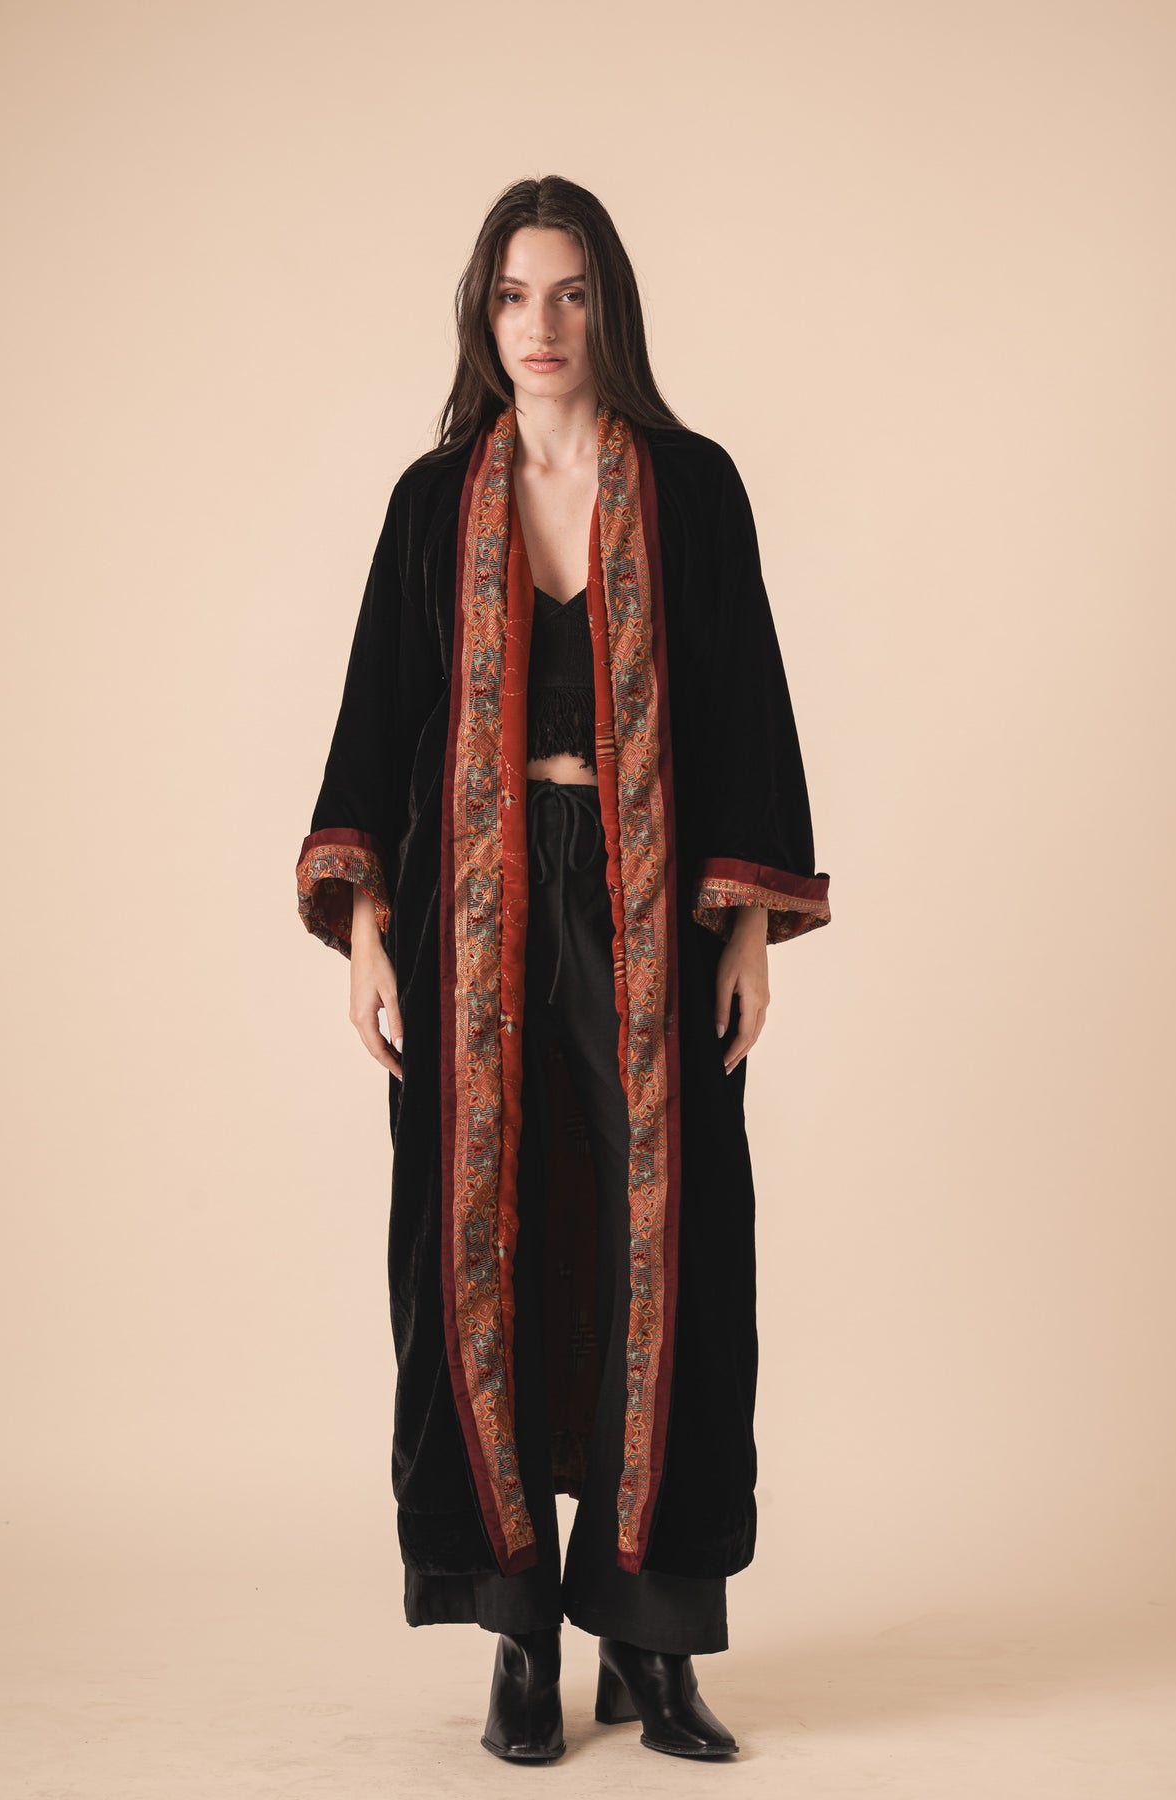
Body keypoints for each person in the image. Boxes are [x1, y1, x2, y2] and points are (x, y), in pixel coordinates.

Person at [294, 175, 831, 1763]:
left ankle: (653, 1647)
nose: (543, 324)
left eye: (573, 292)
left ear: (612, 308)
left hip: (653, 909)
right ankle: (520, 1637)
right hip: (469, 912)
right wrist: (366, 928)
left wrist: (749, 931)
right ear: (484, 309)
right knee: (480, 1240)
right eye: (517, 293)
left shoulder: (692, 489)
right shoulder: (431, 504)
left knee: (676, 1250)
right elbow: (377, 717)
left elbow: (746, 708)